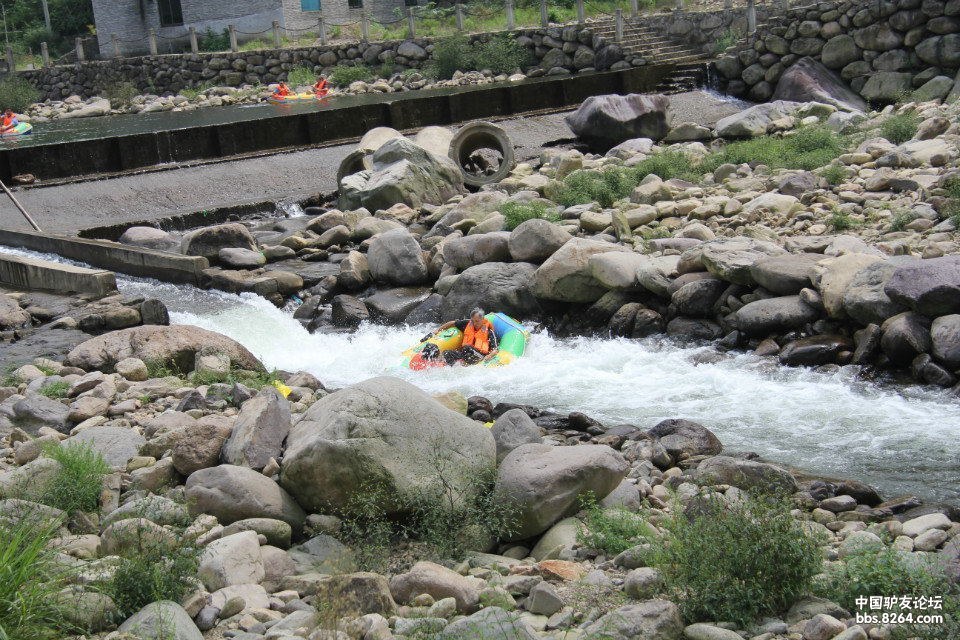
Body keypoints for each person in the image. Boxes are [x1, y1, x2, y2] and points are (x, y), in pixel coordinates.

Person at [425, 308, 499, 366]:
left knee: (467, 348)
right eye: (473, 321)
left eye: (477, 321)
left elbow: (495, 349)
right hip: (465, 353)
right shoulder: (468, 324)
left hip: (480, 355)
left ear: (482, 320)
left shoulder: (489, 332)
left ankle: (462, 362)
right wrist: (437, 330)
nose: (474, 323)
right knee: (447, 353)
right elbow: (452, 323)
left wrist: (489, 356)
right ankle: (449, 366)